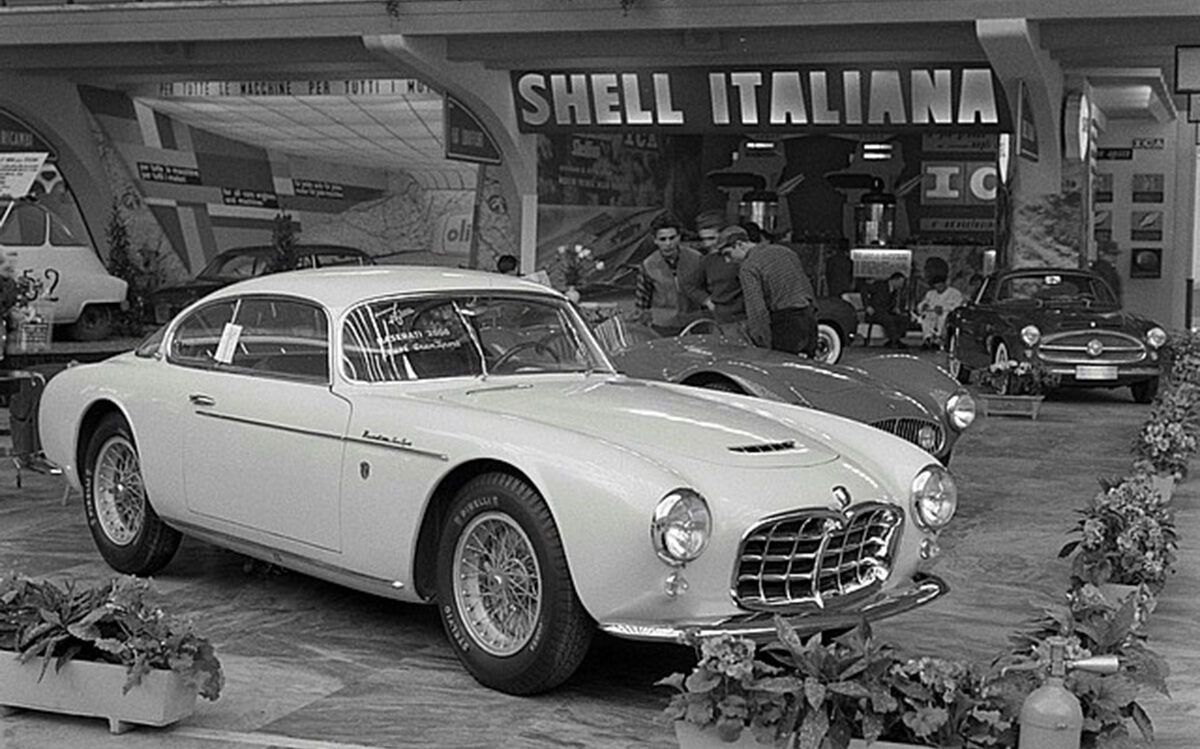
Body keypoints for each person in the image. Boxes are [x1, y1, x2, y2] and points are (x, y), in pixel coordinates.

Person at [719, 225, 818, 356]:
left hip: (785, 324)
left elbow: (757, 311)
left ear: (740, 244)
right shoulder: (785, 252)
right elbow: (807, 288)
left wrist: (763, 345)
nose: (727, 261)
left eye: (728, 254)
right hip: (808, 318)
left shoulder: (748, 267)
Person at [634, 213, 704, 336]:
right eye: (663, 239)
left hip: (695, 323)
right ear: (655, 240)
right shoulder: (648, 265)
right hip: (662, 326)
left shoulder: (696, 259)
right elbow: (642, 302)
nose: (668, 244)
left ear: (679, 237)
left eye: (672, 238)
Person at [681, 222, 746, 338]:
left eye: (711, 238)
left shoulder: (743, 257)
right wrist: (706, 301)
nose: (707, 244)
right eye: (703, 239)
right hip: (722, 321)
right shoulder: (708, 261)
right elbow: (688, 284)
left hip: (747, 318)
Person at [864, 271, 911, 348]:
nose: (902, 285)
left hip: (886, 312)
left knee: (903, 318)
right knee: (887, 318)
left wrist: (895, 309)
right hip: (875, 312)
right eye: (900, 282)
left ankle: (894, 340)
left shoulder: (895, 291)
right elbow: (864, 290)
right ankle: (895, 341)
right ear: (894, 280)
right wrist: (867, 306)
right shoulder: (880, 285)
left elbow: (890, 304)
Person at [916, 274, 964, 349]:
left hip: (947, 313)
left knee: (943, 318)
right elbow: (923, 303)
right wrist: (923, 306)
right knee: (926, 318)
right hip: (932, 313)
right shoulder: (930, 294)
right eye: (937, 287)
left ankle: (938, 341)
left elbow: (958, 306)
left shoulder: (955, 293)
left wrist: (943, 308)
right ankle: (928, 339)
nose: (939, 288)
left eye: (940, 286)